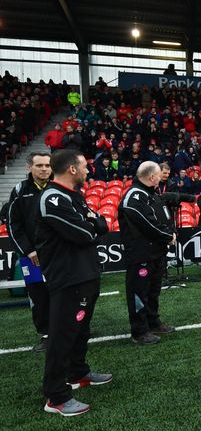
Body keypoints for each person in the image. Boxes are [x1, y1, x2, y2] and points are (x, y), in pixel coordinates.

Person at [35, 150, 111, 416]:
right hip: (68, 277)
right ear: (72, 170)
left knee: (81, 330)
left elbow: (103, 225)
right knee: (62, 335)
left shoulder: (74, 196)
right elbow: (83, 233)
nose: (89, 170)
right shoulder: (53, 197)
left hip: (86, 273)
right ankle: (55, 396)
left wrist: (92, 223)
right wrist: (91, 224)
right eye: (85, 166)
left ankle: (78, 373)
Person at [118, 161, 177, 345]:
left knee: (153, 290)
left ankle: (153, 322)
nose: (161, 177)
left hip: (156, 252)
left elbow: (164, 217)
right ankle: (139, 331)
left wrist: (171, 231)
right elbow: (148, 224)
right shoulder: (135, 196)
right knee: (139, 292)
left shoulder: (152, 193)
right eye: (159, 174)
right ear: (152, 177)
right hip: (141, 255)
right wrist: (168, 236)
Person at [7, 152, 52, 352]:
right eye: (39, 165)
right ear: (29, 167)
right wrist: (28, 251)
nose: (44, 169)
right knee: (37, 293)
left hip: (57, 254)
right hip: (31, 256)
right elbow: (13, 224)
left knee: (64, 292)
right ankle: (47, 334)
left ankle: (71, 327)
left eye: (47, 165)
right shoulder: (19, 190)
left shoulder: (58, 186)